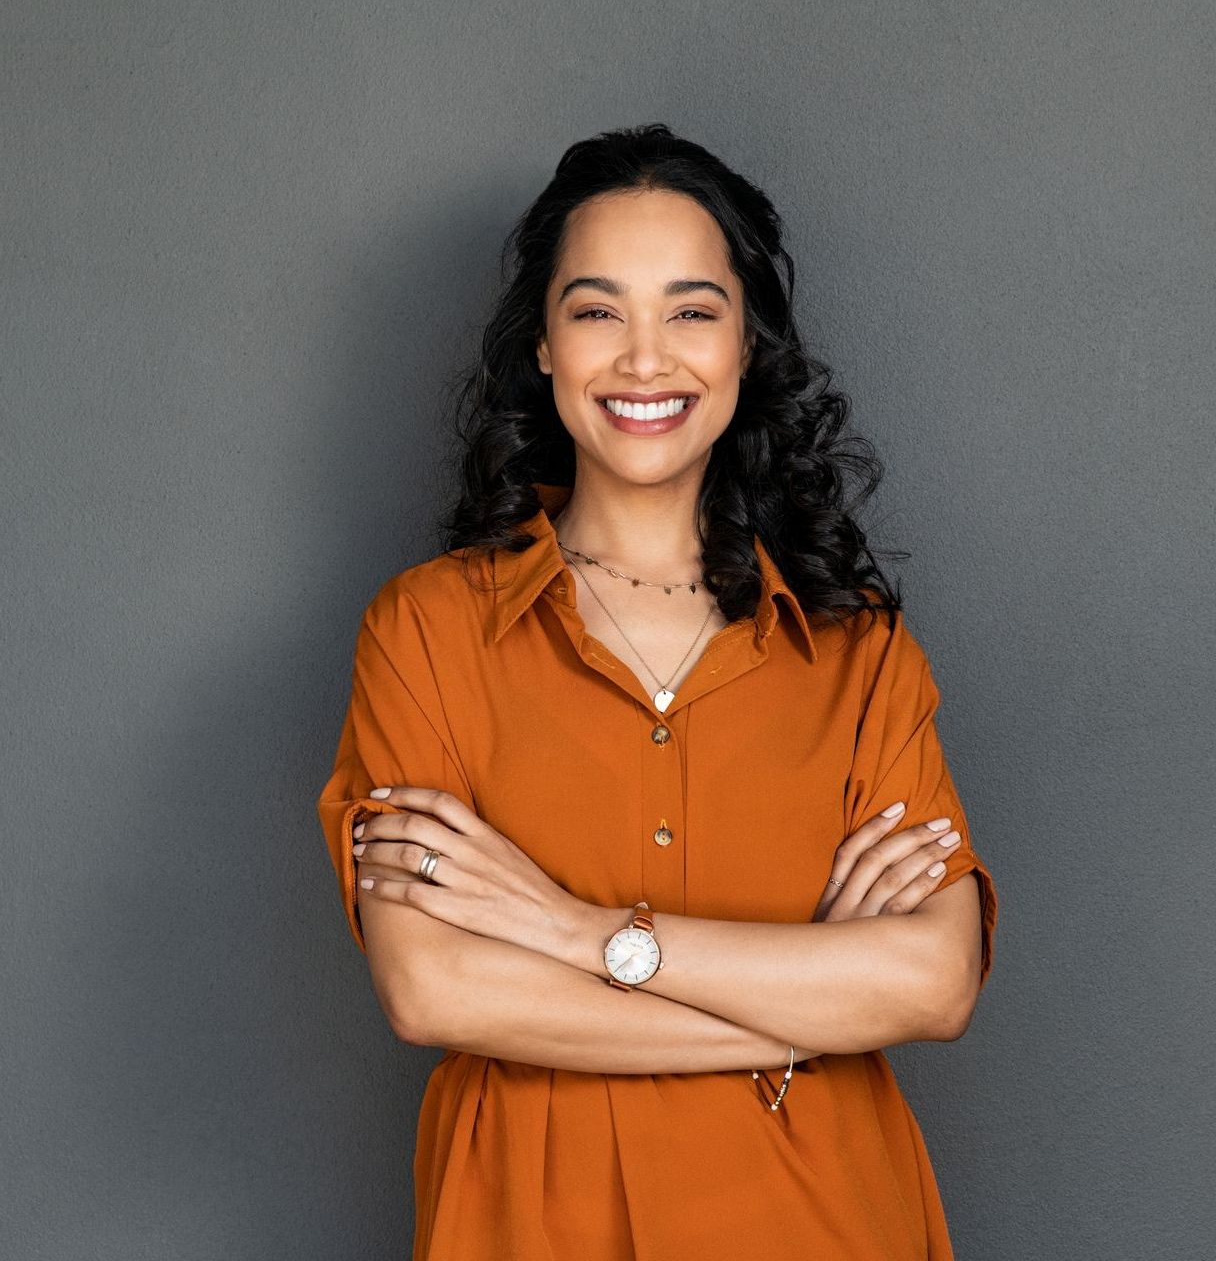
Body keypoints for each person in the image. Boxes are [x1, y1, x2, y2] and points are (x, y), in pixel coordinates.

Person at [316, 122, 999, 1260]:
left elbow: (932, 981)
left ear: (745, 344)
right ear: (541, 343)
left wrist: (571, 930)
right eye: (595, 310)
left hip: (823, 1222)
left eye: (691, 309)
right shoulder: (426, 630)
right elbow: (432, 988)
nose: (644, 359)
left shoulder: (858, 654)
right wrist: (791, 1017)